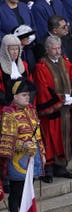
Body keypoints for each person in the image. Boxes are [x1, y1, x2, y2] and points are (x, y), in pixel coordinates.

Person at [0, 79, 45, 212]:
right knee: (17, 194)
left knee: (29, 194)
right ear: (15, 96)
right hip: (17, 160)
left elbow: (38, 135)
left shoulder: (31, 110)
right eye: (24, 95)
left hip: (32, 159)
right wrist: (22, 145)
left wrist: (43, 154)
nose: (27, 98)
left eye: (28, 95)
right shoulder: (9, 113)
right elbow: (5, 140)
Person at [34, 35, 72, 182]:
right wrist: (62, 99)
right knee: (49, 140)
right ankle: (47, 170)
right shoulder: (41, 67)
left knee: (64, 137)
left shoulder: (67, 64)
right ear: (47, 49)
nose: (57, 51)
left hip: (66, 111)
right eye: (54, 48)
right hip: (51, 112)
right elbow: (43, 89)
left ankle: (61, 167)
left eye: (59, 48)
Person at [0, 34, 31, 140]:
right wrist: (13, 104)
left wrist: (26, 103)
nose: (15, 52)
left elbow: (31, 87)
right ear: (5, 50)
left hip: (24, 109)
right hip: (7, 110)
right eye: (12, 49)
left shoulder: (24, 66)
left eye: (17, 48)